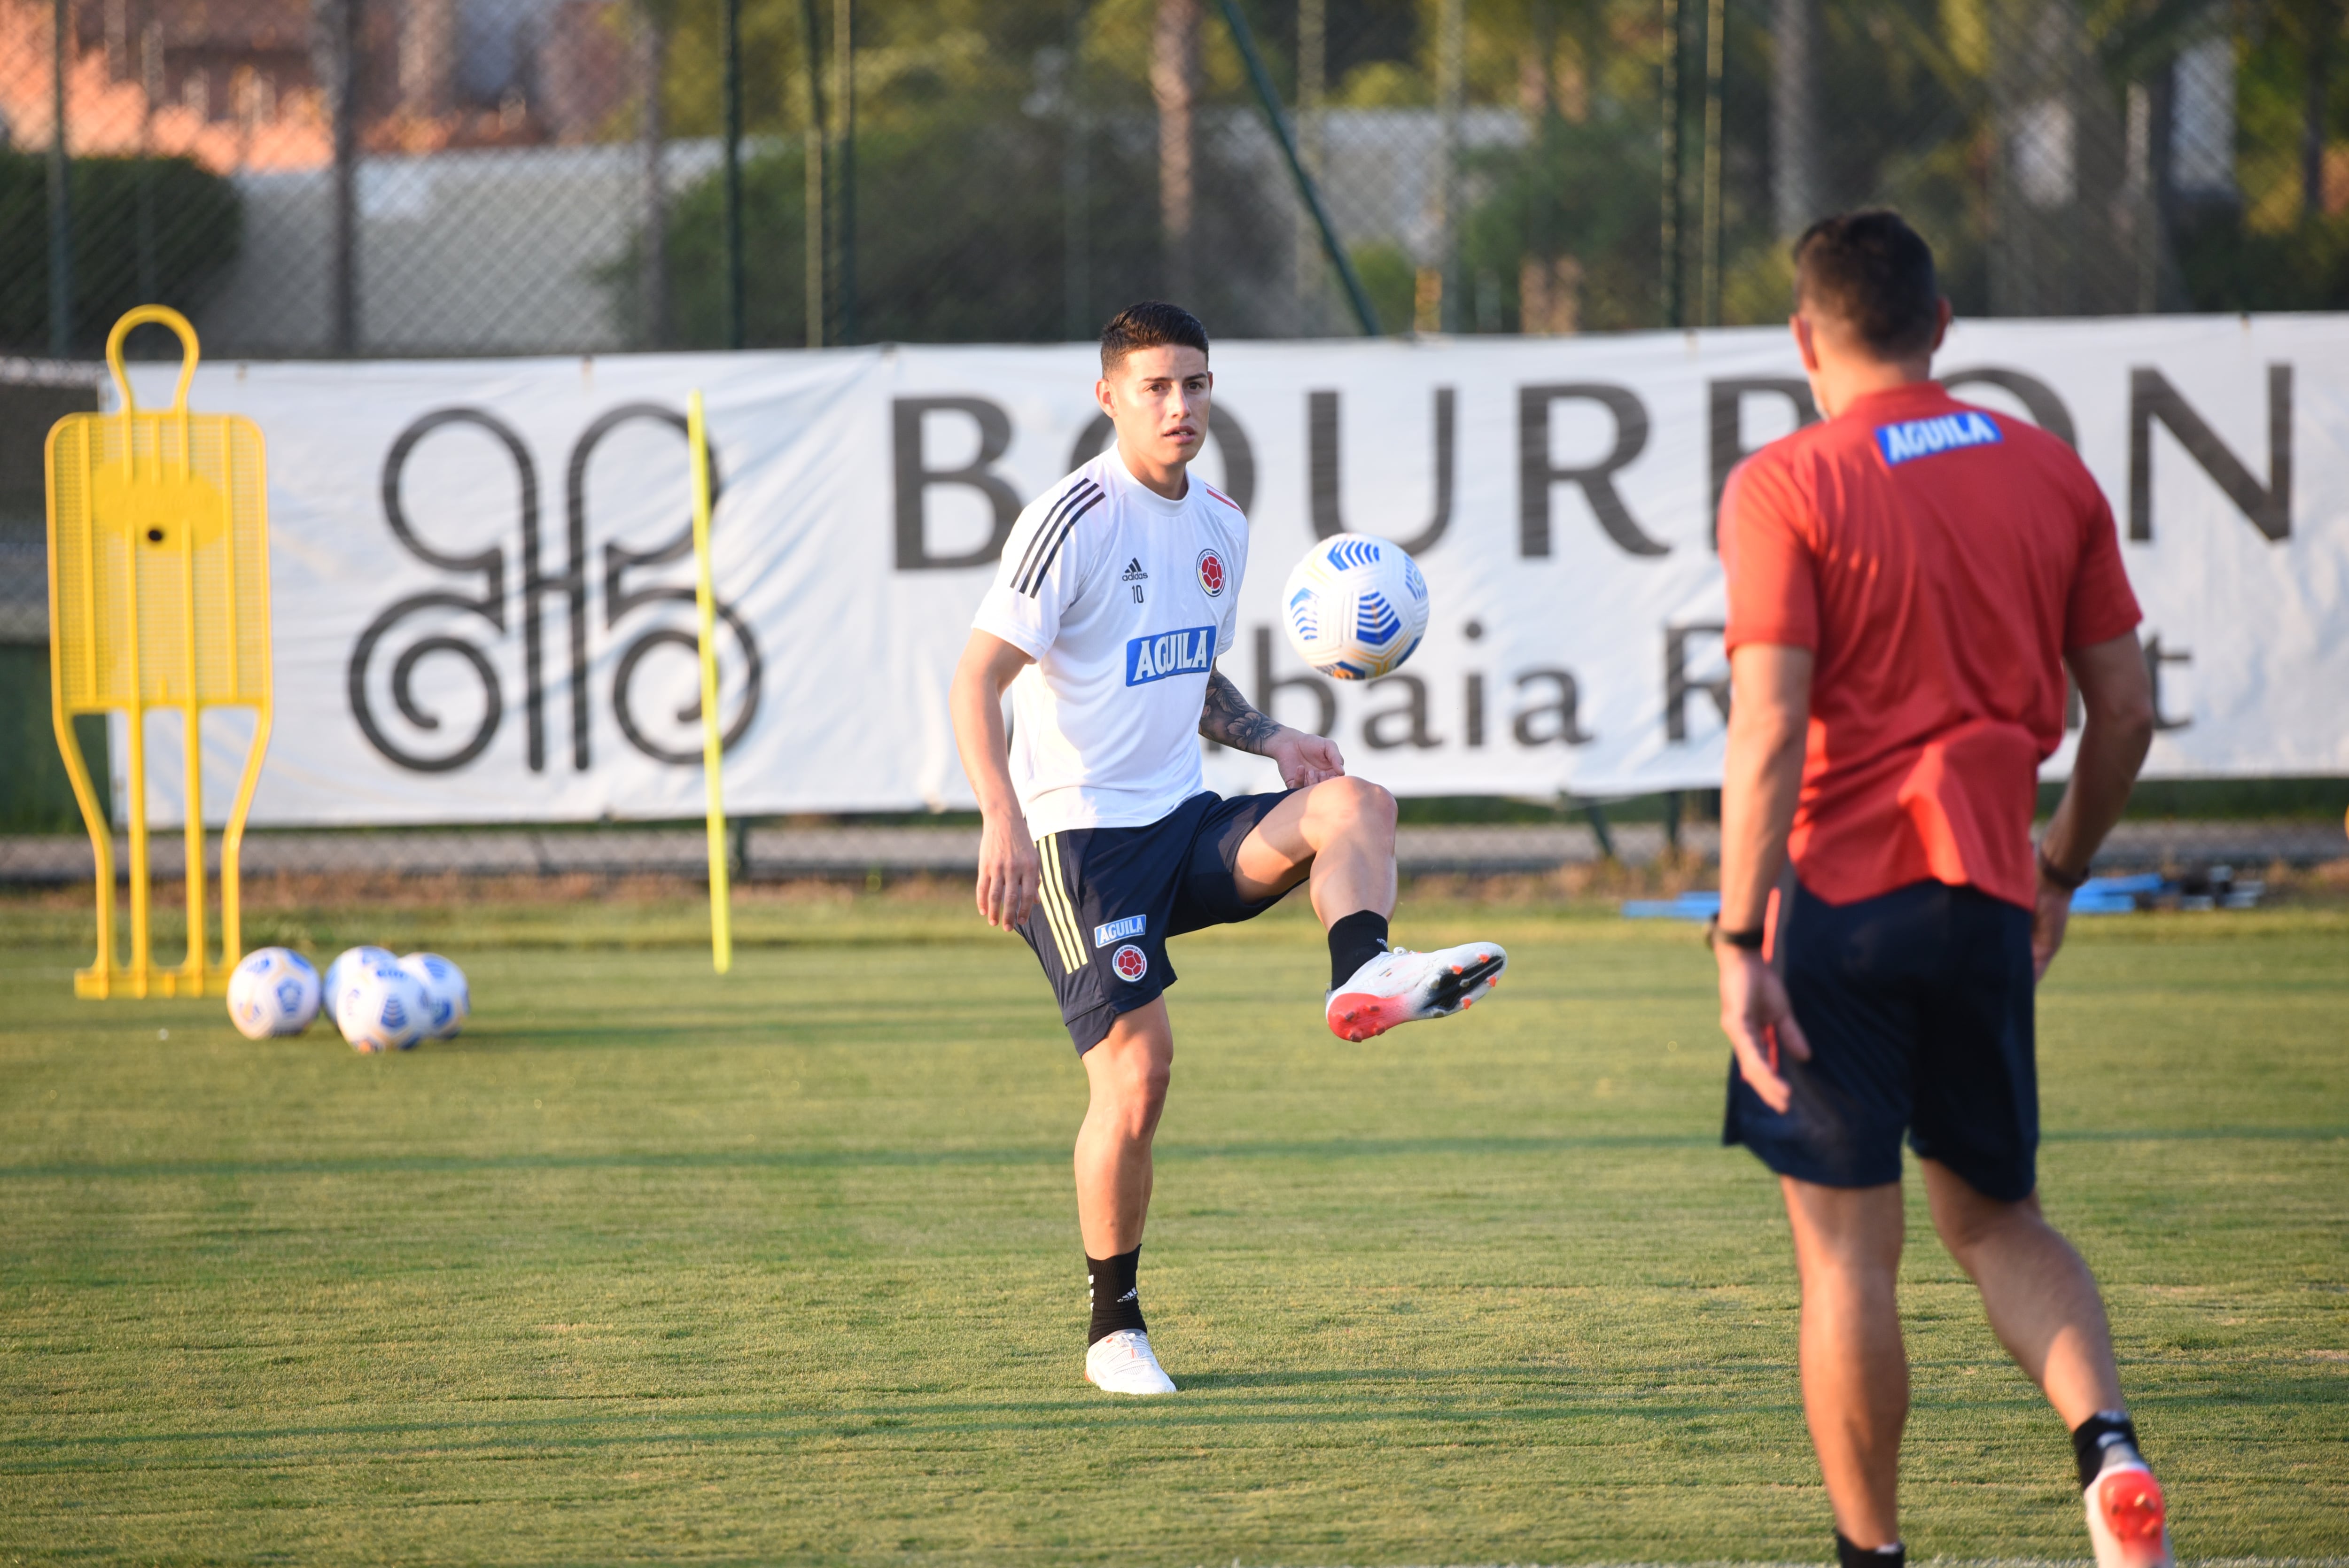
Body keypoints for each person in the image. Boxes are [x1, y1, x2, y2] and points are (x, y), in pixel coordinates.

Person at [1709, 212, 2170, 1568]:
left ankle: (1873, 1555)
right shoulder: (2048, 470)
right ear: (1944, 325)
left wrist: (1741, 935)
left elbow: (1770, 726)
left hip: (1838, 911)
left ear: (1805, 337)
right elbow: (2127, 711)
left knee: (1850, 1260)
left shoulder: (1787, 482)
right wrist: (2063, 869)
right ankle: (2110, 1450)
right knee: (2000, 1218)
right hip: (1985, 898)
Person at [948, 303, 1506, 1397]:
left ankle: (1365, 978)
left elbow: (1188, 671)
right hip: (1077, 847)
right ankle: (1115, 1329)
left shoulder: (1219, 522)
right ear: (1109, 395)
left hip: (1180, 821)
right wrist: (1000, 819)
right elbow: (977, 678)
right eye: (1155, 386)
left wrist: (1273, 736)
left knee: (1355, 800)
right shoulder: (1073, 517)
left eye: (1195, 384)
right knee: (1140, 1074)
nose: (1180, 406)